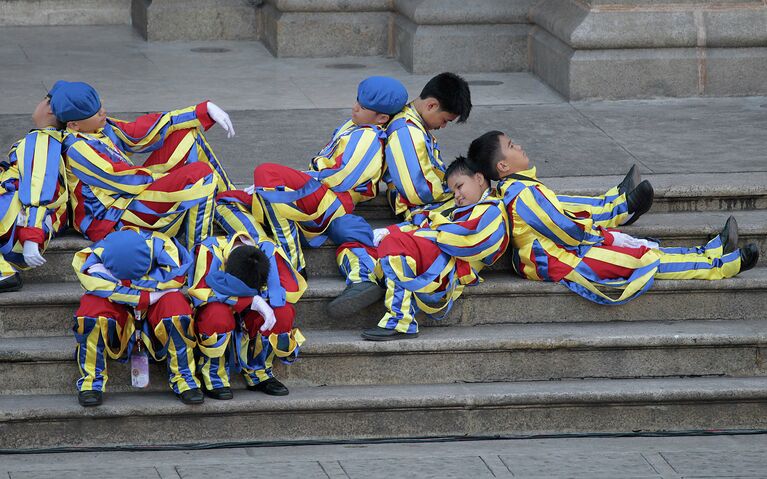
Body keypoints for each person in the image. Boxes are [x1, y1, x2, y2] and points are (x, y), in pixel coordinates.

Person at [468, 130, 760, 305]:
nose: (518, 146)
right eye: (511, 145)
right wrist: (596, 232)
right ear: (504, 165)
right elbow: (565, 231)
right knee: (644, 258)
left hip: (568, 253)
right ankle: (722, 265)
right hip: (568, 260)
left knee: (643, 249)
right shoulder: (522, 194)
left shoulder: (520, 188)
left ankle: (709, 252)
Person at [215, 76, 408, 313]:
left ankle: (292, 260)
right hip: (324, 200)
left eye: (364, 107)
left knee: (266, 172)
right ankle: (355, 277)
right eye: (357, 101)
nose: (355, 107)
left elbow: (341, 177)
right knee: (228, 198)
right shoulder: (355, 127)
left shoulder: (369, 136)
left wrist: (293, 180)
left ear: (382, 118)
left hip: (330, 200)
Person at [50, 80, 235, 251]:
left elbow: (138, 132)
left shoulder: (97, 127)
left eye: (101, 106)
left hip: (128, 195)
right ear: (74, 125)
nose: (103, 112)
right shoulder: (76, 148)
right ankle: (199, 253)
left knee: (186, 134)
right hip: (111, 219)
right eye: (96, 112)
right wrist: (173, 180)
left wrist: (200, 111)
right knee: (201, 175)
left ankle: (229, 201)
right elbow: (122, 178)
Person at [357, 156, 509, 340]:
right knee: (364, 242)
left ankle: (400, 320)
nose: (457, 196)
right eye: (453, 192)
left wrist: (430, 224)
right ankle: (363, 283)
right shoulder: (463, 209)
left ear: (478, 178)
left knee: (395, 243)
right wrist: (390, 231)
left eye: (459, 187)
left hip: (449, 267)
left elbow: (468, 241)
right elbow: (428, 228)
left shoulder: (493, 210)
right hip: (437, 257)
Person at [72, 227, 202, 406]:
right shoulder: (102, 250)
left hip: (153, 310)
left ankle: (184, 378)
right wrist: (145, 294)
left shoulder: (164, 246)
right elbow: (93, 281)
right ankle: (91, 383)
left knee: (177, 307)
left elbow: (175, 279)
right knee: (90, 312)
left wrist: (122, 284)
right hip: (120, 309)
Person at [188, 231, 306, 398]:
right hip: (222, 309)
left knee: (283, 312)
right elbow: (199, 293)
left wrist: (260, 298)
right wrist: (249, 300)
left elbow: (291, 291)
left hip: (251, 311)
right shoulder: (210, 248)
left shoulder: (270, 250)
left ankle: (259, 371)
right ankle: (214, 374)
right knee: (216, 314)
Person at [0, 93, 69, 292]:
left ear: (49, 108)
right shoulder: (50, 140)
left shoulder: (42, 139)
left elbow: (39, 188)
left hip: (19, 224)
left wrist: (31, 236)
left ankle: (4, 273)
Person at [383, 72, 472, 220]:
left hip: (429, 202)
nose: (443, 126)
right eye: (445, 120)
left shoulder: (414, 124)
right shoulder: (406, 131)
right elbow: (418, 190)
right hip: (420, 209)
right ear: (431, 105)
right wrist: (456, 190)